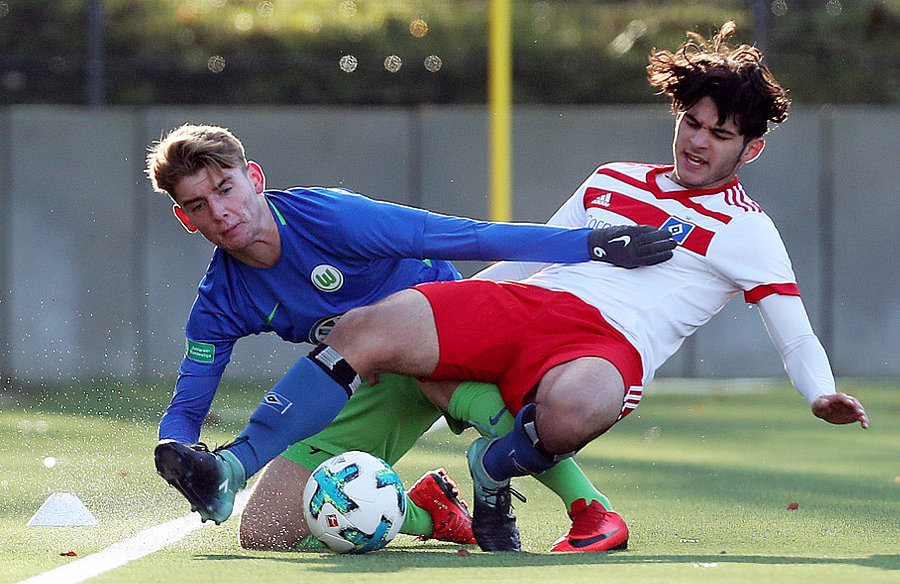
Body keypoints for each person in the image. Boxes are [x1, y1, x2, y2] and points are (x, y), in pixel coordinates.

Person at [161, 21, 870, 552]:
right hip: (522, 307)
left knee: (574, 407)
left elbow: (794, 327)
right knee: (361, 341)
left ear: (752, 147)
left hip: (605, 345)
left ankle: (494, 471)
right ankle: (235, 469)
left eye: (719, 133)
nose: (697, 140)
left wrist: (820, 393)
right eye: (691, 122)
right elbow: (532, 257)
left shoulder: (749, 230)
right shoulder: (613, 179)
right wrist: (461, 310)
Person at [146, 124, 676, 550]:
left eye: (224, 189)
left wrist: (592, 244)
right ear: (185, 219)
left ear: (253, 178)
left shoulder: (332, 218)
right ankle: (429, 513)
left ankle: (591, 510)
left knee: (434, 376)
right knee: (264, 530)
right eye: (197, 206)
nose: (219, 212)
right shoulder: (220, 299)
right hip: (356, 375)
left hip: (446, 341)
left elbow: (463, 235)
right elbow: (188, 402)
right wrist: (175, 446)